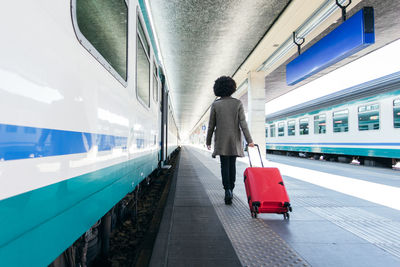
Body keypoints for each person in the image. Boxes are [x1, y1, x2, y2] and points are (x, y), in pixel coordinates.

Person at [206, 76, 254, 205]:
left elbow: (211, 125)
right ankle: (231, 189)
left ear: (218, 89)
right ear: (232, 88)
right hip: (234, 140)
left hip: (221, 140)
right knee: (232, 165)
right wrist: (250, 140)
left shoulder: (215, 104)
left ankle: (227, 189)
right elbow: (243, 124)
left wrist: (208, 141)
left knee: (224, 165)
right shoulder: (237, 103)